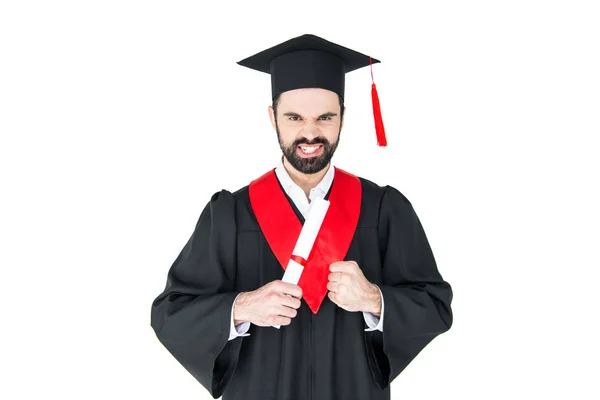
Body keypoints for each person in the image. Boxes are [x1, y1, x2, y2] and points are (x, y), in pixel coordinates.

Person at [150, 34, 453, 400]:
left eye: (325, 117)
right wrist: (241, 308)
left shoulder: (383, 209)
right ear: (272, 117)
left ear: (343, 118)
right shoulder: (229, 214)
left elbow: (435, 307)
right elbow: (170, 314)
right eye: (294, 117)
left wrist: (375, 300)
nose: (310, 133)